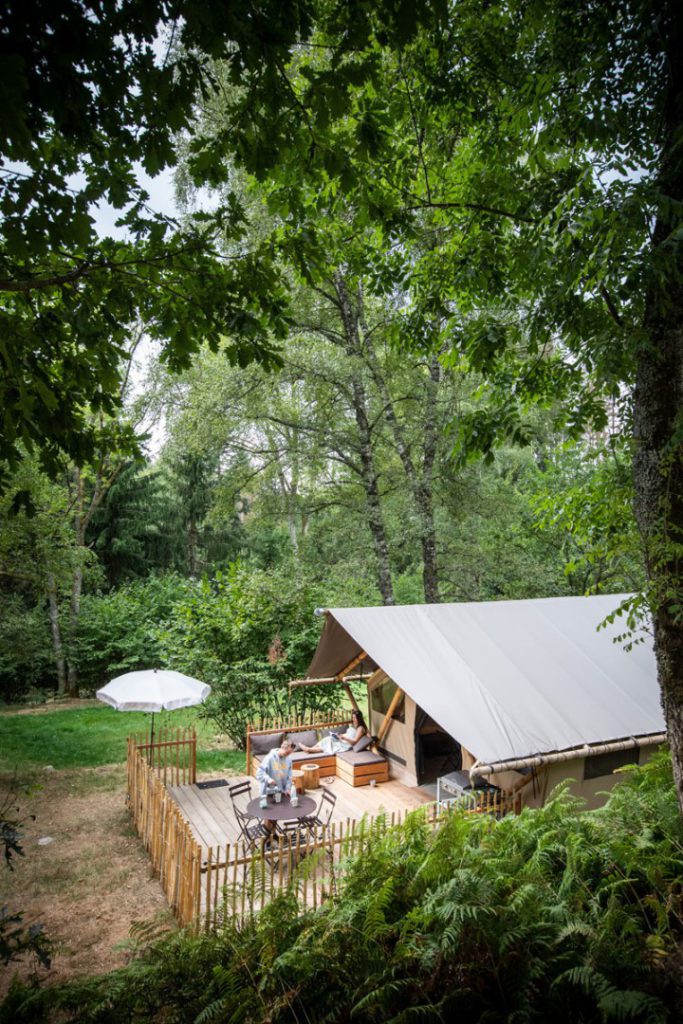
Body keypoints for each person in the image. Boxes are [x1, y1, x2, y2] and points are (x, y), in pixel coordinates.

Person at [298, 709, 368, 755]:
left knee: (329, 741)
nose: (353, 719)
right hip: (343, 740)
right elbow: (349, 734)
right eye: (353, 717)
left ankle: (309, 749)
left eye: (355, 718)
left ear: (359, 718)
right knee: (328, 738)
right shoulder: (354, 726)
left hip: (347, 744)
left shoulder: (360, 728)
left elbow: (355, 741)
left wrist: (344, 738)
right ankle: (310, 748)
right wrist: (340, 735)